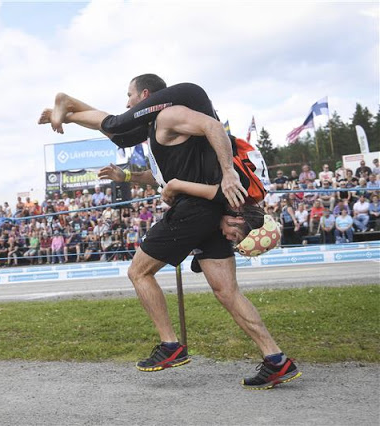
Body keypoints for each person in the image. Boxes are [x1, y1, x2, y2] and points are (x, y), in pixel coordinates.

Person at [39, 74, 299, 389]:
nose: (127, 102)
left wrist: (228, 172)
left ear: (146, 95)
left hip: (193, 211)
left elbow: (214, 127)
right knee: (227, 292)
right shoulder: (161, 128)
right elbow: (156, 170)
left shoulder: (169, 114)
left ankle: (170, 344)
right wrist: (126, 177)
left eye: (130, 95)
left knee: (139, 273)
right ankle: (276, 359)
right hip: (207, 212)